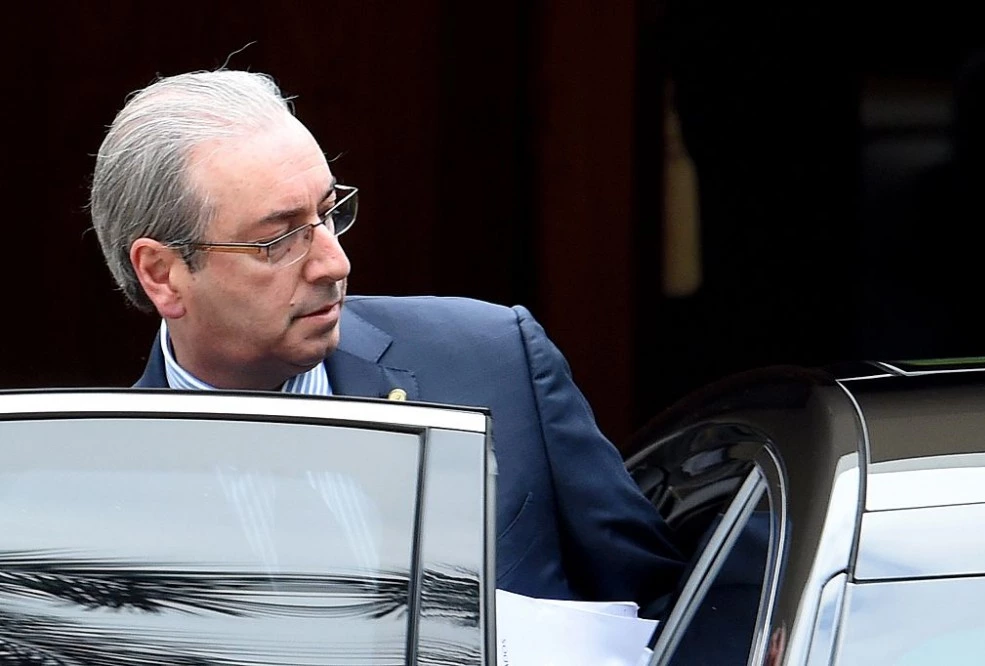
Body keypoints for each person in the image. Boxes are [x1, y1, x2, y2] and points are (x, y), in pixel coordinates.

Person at [89, 68, 684, 616]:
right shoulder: (90, 494)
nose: (333, 262)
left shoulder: (497, 358)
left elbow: (671, 605)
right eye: (279, 239)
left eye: (329, 213)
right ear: (163, 273)